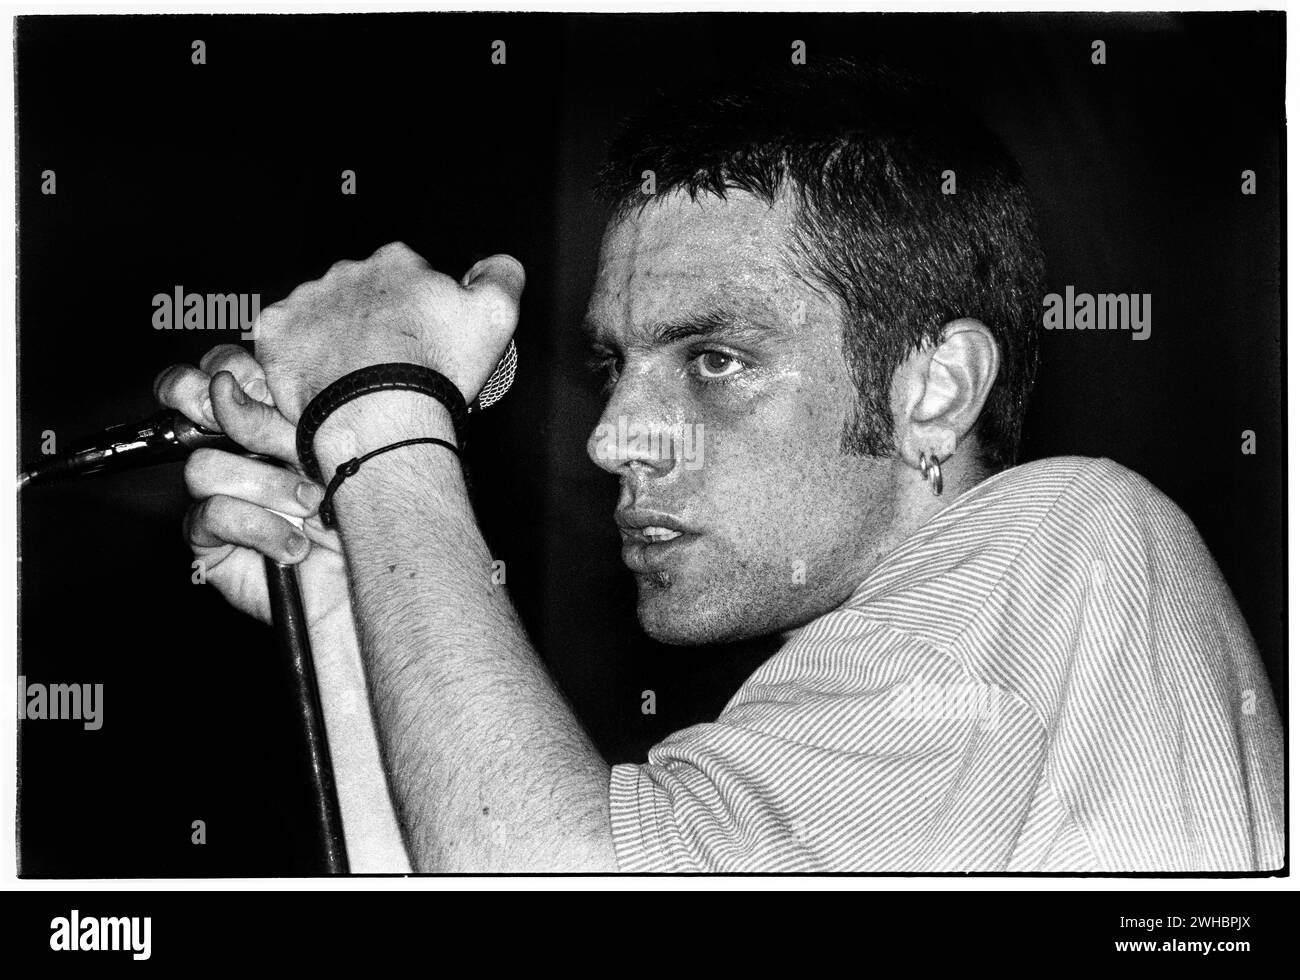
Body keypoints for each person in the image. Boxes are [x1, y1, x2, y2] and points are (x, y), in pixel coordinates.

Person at [153, 65, 1283, 872]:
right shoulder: (872, 716)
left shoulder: (1070, 535)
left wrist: (383, 417)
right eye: (614, 366)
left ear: (935, 390)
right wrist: (352, 597)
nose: (611, 439)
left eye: (714, 359)